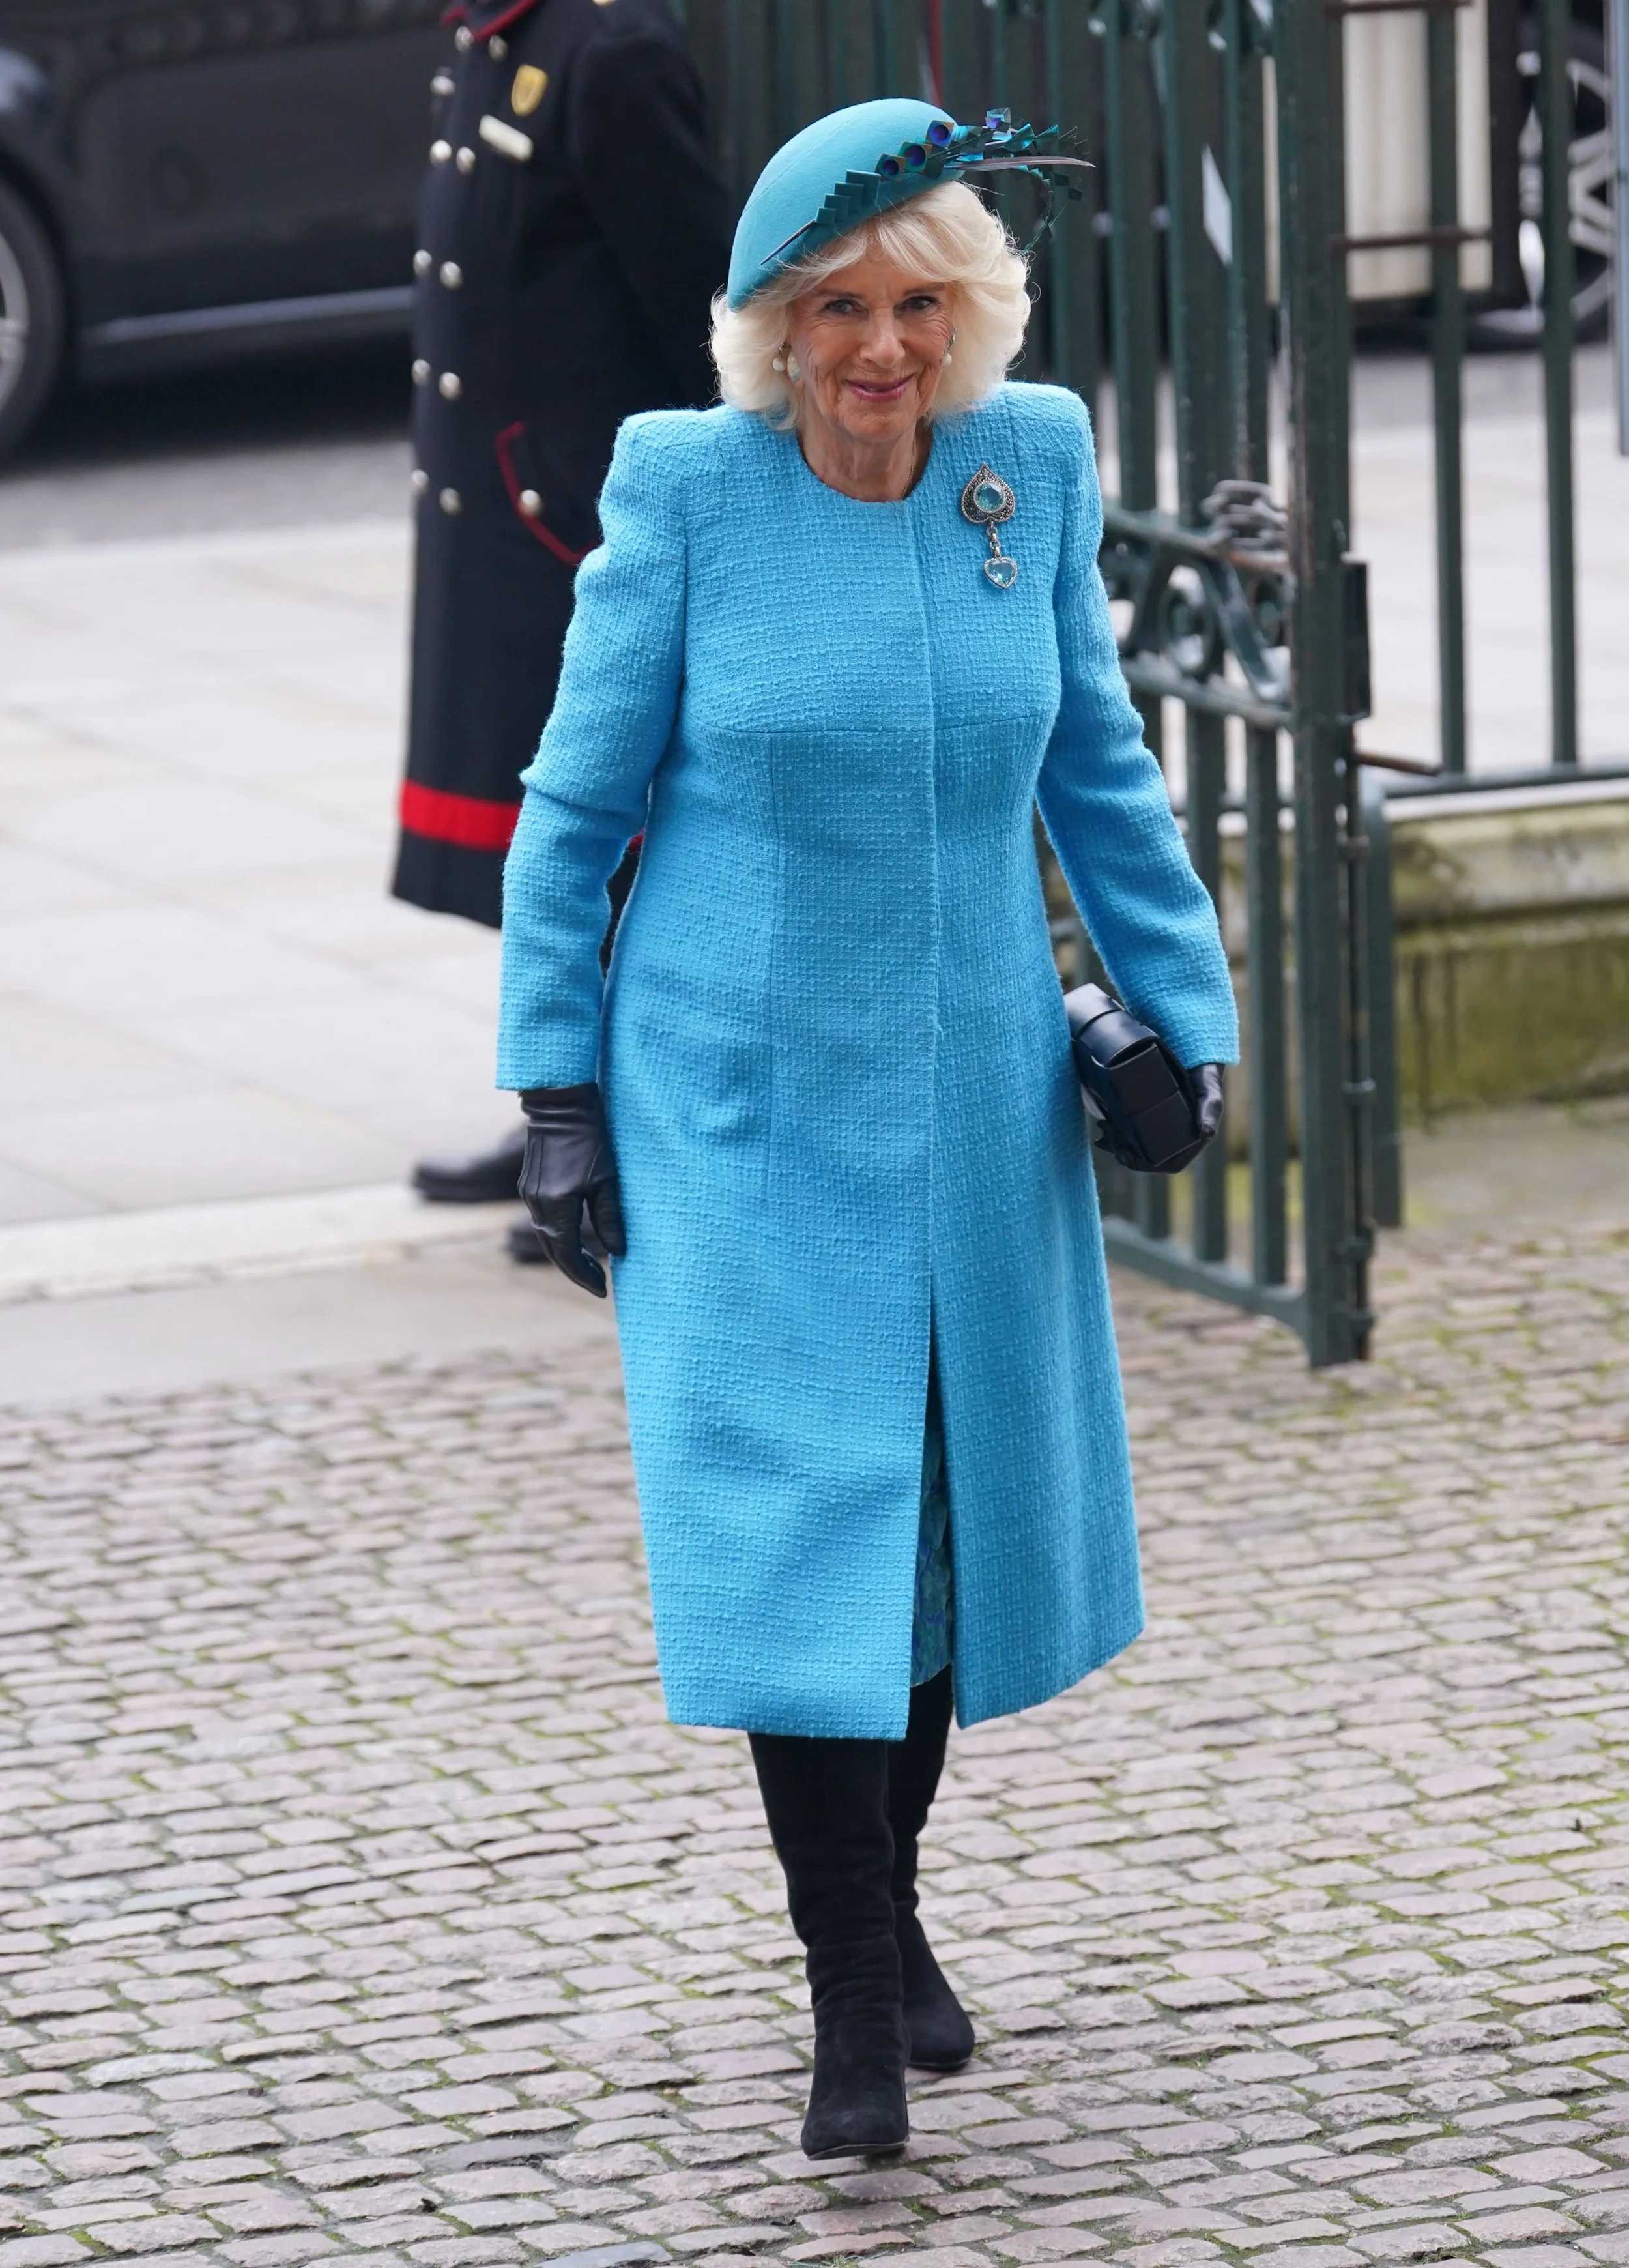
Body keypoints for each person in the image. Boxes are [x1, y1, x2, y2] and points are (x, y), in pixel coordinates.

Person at [495, 98, 1237, 2158]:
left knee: (933, 1523)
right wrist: (554, 1094)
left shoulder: (1029, 466)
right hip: (732, 1105)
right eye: (834, 309)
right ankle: (847, 1993)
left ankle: (885, 1906)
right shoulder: (689, 492)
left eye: (916, 304)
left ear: (969, 314)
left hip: (973, 1094)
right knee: (799, 1528)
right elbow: (572, 814)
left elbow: (1100, 772)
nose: (880, 348)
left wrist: (1183, 1021)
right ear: (770, 328)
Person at [396, 0, 730, 1245]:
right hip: (500, 518)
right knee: (534, 841)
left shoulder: (611, 51)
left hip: (576, 531)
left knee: (607, 846)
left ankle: (619, 1141)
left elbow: (701, 310)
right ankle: (557, 1104)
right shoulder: (500, 36)